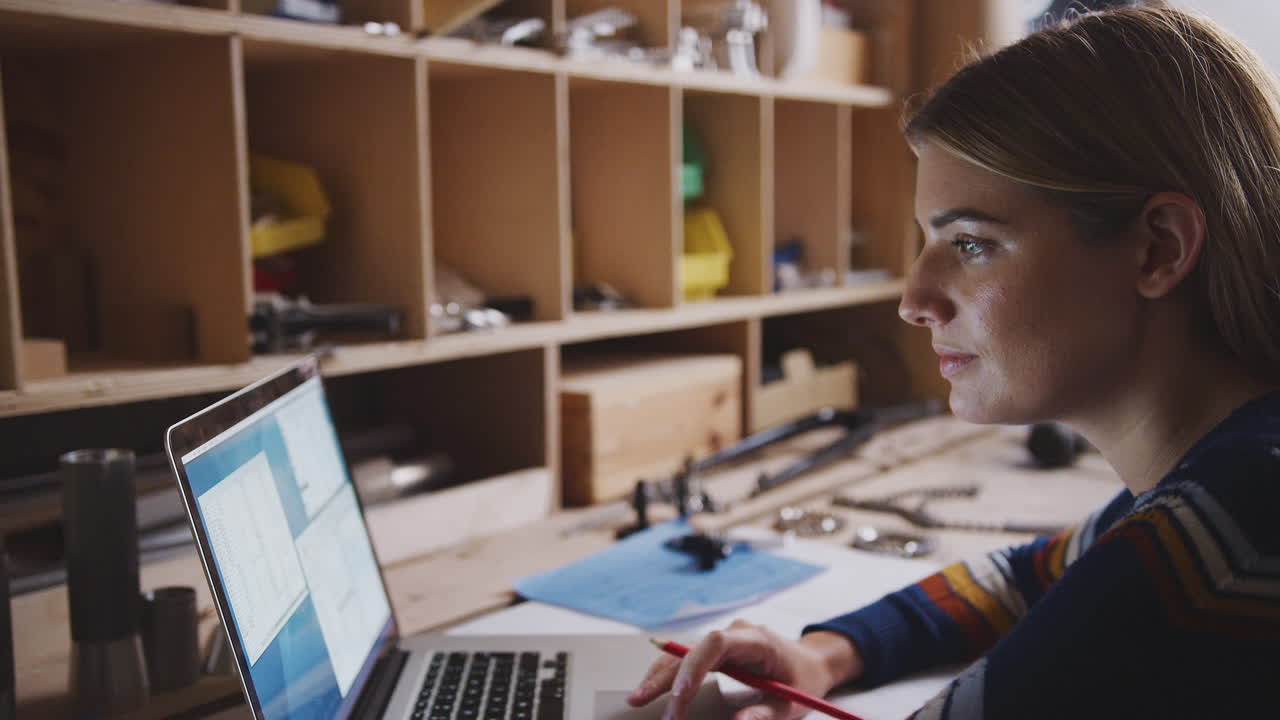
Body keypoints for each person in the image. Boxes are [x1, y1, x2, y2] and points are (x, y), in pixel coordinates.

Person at [627, 4, 1280, 719]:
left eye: (970, 244)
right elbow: (1031, 573)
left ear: (1158, 248)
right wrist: (826, 654)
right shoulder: (1223, 480)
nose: (914, 299)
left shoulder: (1229, 526)